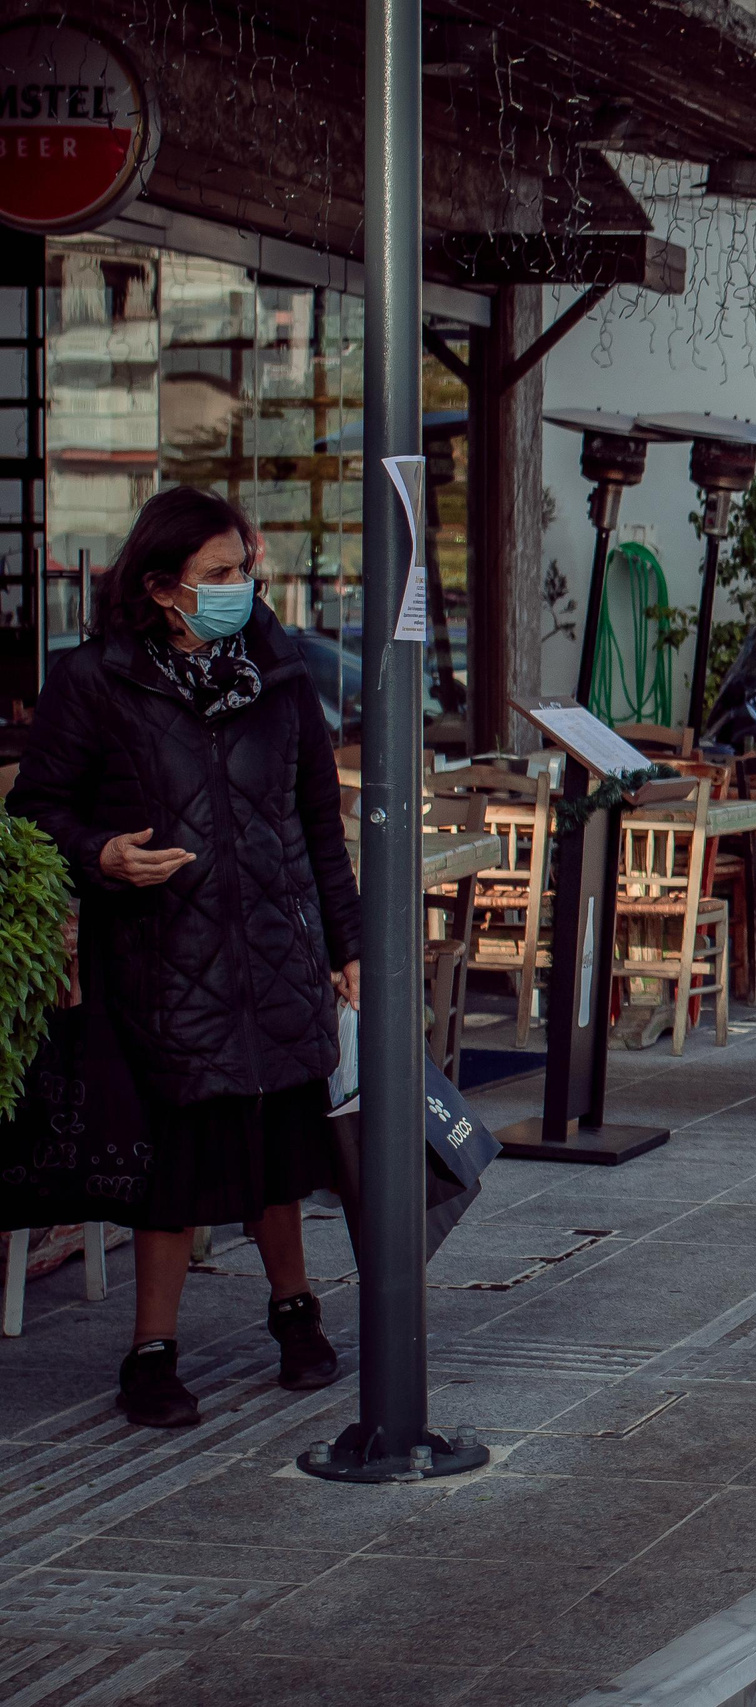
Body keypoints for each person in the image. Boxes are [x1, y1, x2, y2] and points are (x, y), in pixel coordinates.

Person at [12, 487, 359, 1428]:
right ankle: (150, 1356)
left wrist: (348, 940)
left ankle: (297, 1314)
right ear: (163, 587)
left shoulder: (279, 673)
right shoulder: (93, 681)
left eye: (243, 568)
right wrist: (103, 856)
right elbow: (36, 812)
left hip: (274, 953)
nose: (240, 587)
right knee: (176, 1163)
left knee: (281, 1147)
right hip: (165, 958)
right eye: (218, 575)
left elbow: (318, 822)